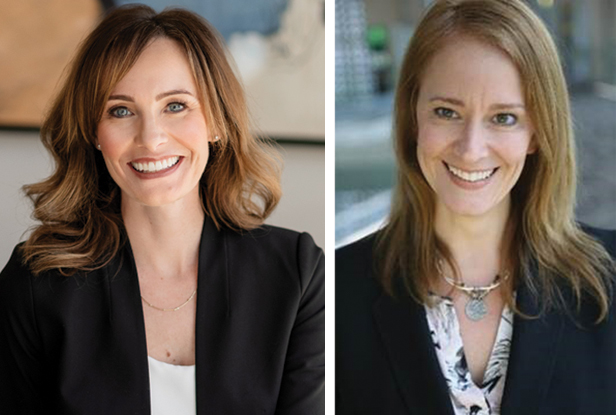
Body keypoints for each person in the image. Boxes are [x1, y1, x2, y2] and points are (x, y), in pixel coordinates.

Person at [0, 5, 324, 414]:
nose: (151, 139)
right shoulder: (35, 284)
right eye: (120, 110)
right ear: (94, 133)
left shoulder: (297, 274)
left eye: (175, 105)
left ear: (217, 122)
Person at [336, 0, 615, 414]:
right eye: (446, 112)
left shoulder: (608, 278)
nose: (470, 150)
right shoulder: (337, 289)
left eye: (504, 118)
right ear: (414, 117)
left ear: (537, 133)